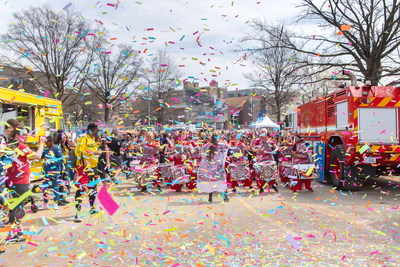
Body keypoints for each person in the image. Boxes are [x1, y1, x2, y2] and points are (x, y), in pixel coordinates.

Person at [6, 125, 45, 243]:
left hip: (11, 181)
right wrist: (41, 143)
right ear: (17, 135)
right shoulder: (21, 146)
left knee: (16, 207)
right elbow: (38, 156)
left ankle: (19, 231)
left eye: (27, 134)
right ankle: (11, 234)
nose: (26, 136)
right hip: (20, 182)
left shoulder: (8, 146)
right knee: (17, 208)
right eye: (24, 134)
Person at [73, 123, 101, 222]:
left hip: (93, 168)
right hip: (84, 168)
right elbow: (78, 152)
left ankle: (92, 208)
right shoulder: (83, 139)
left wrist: (98, 146)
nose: (97, 132)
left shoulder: (92, 139)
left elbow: (92, 150)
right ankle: (77, 213)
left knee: (93, 188)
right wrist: (93, 152)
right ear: (92, 130)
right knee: (81, 189)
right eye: (96, 130)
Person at [197, 134, 229, 203]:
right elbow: (227, 146)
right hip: (218, 168)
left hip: (210, 168)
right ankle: (225, 198)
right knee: (222, 182)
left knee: (211, 182)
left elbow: (202, 155)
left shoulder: (206, 146)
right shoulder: (221, 145)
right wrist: (223, 141)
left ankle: (210, 198)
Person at [41, 135, 63, 209]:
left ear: (51, 142)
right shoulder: (45, 149)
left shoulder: (57, 149)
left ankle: (55, 202)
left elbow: (61, 160)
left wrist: (53, 160)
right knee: (45, 187)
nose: (46, 143)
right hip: (46, 170)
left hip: (55, 171)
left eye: (47, 142)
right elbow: (41, 156)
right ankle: (45, 202)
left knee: (55, 187)